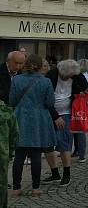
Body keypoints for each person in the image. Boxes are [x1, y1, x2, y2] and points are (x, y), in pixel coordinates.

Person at [10, 54, 57, 197]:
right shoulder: (46, 81)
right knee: (36, 154)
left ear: (26, 64)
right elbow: (50, 103)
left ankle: (16, 188)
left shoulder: (16, 79)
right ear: (40, 66)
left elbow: (12, 101)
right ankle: (35, 188)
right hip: (39, 119)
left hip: (20, 118)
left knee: (19, 155)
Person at [41, 59, 87, 187]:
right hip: (50, 112)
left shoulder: (77, 75)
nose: (70, 77)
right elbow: (45, 97)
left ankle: (67, 174)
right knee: (48, 144)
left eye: (72, 75)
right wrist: (55, 116)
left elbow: (86, 88)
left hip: (67, 112)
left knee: (64, 142)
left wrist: (83, 93)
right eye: (68, 75)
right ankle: (55, 173)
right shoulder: (51, 75)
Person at [0, 97, 16, 202]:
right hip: (2, 154)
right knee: (2, 184)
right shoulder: (6, 111)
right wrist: (10, 152)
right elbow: (14, 134)